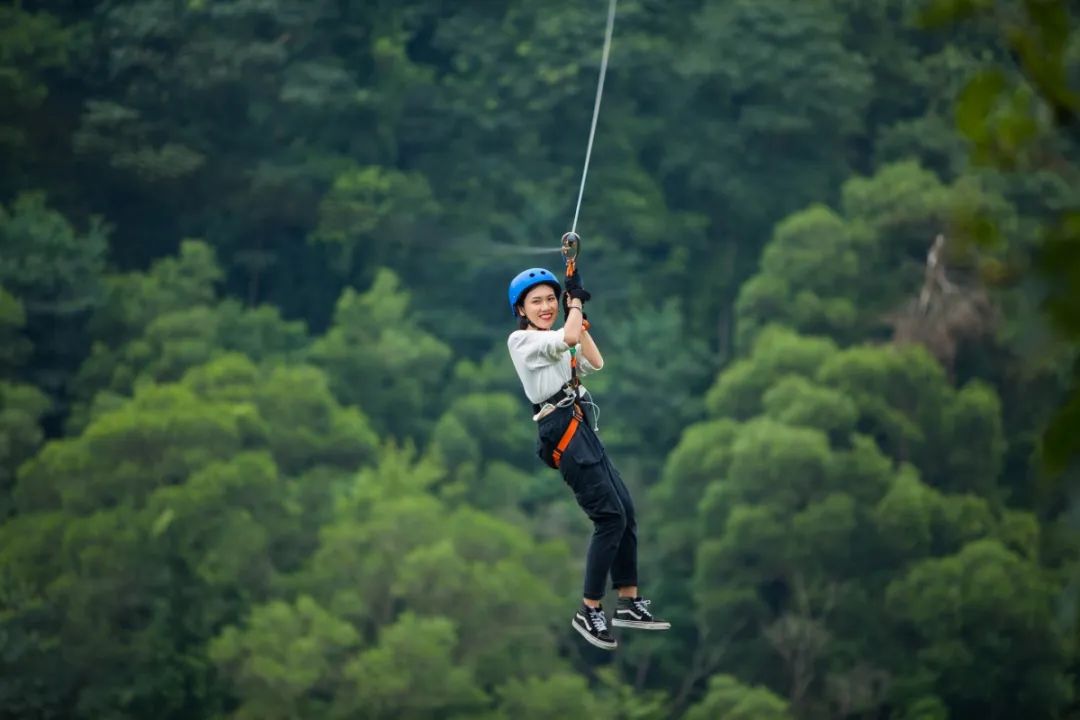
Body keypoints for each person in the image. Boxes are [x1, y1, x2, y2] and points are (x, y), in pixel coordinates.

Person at [506, 264, 670, 651]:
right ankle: (589, 608)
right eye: (536, 302)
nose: (546, 307)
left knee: (624, 510)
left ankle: (628, 600)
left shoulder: (558, 335)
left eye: (551, 299)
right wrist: (574, 306)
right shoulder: (522, 341)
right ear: (521, 310)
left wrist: (576, 312)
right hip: (562, 430)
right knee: (609, 518)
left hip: (579, 426)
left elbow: (595, 361)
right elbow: (566, 338)